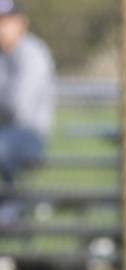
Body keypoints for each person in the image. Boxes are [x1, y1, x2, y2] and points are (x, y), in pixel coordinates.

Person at [0, 0, 54, 190]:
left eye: (6, 21)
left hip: (29, 136)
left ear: (22, 23)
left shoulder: (33, 53)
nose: (1, 28)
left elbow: (17, 107)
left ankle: (13, 206)